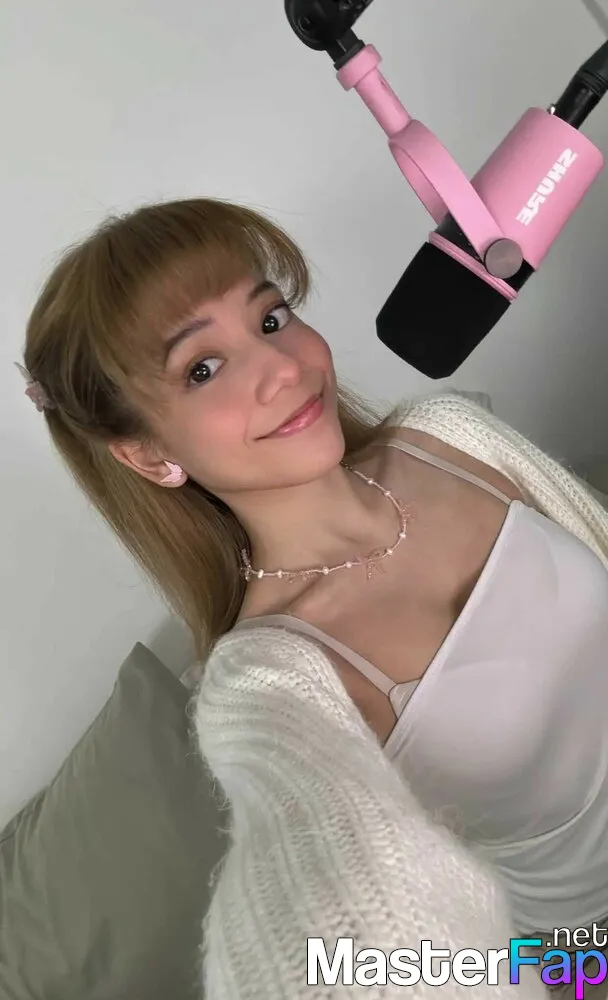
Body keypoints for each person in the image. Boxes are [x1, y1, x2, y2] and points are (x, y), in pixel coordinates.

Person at [19, 197, 608, 998]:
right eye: (202, 368)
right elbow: (328, 934)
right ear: (149, 454)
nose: (284, 368)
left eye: (270, 319)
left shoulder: (448, 436)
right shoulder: (267, 679)